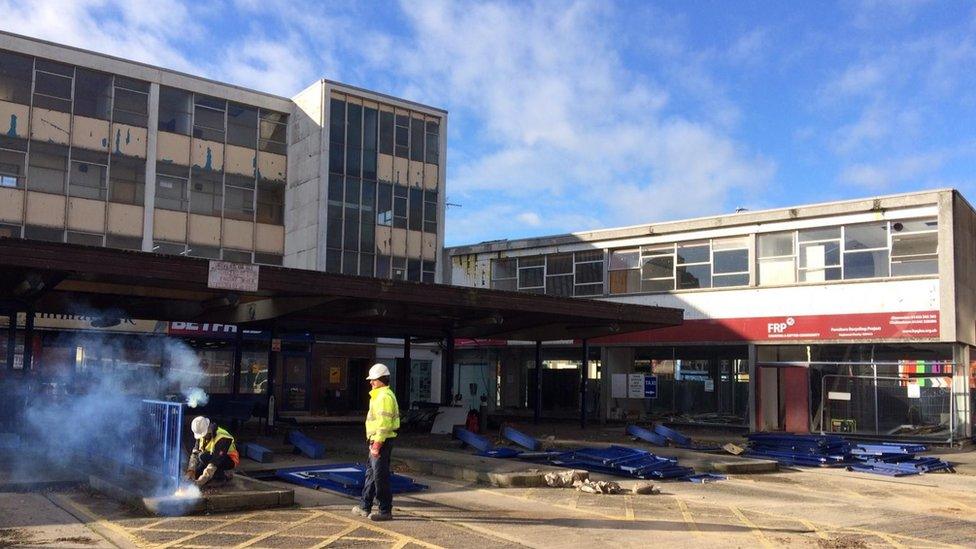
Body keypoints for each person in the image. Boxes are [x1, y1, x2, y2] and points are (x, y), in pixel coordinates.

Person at [352, 363, 400, 521]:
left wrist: (377, 445)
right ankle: (364, 506)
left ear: (382, 380)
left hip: (381, 441)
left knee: (380, 477)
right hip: (376, 440)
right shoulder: (379, 395)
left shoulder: (384, 397)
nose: (371, 382)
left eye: (373, 380)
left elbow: (384, 424)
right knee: (371, 475)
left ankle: (385, 510)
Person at [186, 416, 239, 487]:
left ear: (208, 429)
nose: (202, 437)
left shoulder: (222, 437)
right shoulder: (201, 434)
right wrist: (191, 471)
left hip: (228, 460)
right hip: (211, 457)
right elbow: (195, 453)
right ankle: (215, 476)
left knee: (203, 457)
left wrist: (202, 480)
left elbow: (215, 461)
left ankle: (220, 478)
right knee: (197, 472)